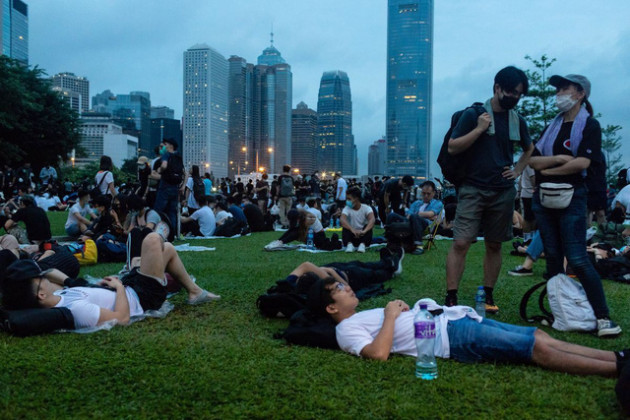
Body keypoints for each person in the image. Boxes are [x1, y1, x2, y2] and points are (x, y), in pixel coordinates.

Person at [305, 278, 630, 378]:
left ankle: (617, 356)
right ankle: (619, 370)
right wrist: (391, 314)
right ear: (332, 307)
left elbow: (392, 322)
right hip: (450, 337)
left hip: (455, 319)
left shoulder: (360, 315)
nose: (348, 287)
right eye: (340, 289)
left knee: (538, 335)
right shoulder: (344, 331)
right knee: (537, 350)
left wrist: (401, 309)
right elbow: (377, 354)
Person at [529, 74, 621, 337]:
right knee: (554, 261)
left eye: (565, 88)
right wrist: (561, 159)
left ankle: (603, 317)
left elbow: (584, 164)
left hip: (573, 197)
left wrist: (551, 169)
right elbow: (533, 161)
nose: (559, 93)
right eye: (558, 89)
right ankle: (560, 313)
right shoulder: (551, 126)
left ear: (581, 94)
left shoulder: (590, 126)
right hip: (545, 198)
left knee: (578, 259)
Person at [444, 66, 533, 313]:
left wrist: (516, 171)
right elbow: (453, 147)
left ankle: (488, 294)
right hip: (473, 187)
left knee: (495, 244)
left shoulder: (518, 120)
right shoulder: (475, 115)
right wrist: (480, 129)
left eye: (519, 94)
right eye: (511, 92)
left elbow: (529, 149)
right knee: (461, 242)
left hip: (502, 190)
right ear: (497, 88)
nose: (515, 97)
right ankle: (451, 296)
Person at [1, 232, 220, 329]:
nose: (46, 277)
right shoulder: (76, 309)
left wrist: (109, 285)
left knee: (168, 249)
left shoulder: (57, 295)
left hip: (128, 286)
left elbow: (56, 277)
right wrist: (118, 288)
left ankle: (193, 291)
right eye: (41, 279)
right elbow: (122, 318)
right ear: (40, 294)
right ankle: (193, 291)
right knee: (153, 239)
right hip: (141, 297)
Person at [400, 181, 444, 255]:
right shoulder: (416, 203)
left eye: (428, 194)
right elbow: (408, 216)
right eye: (424, 193)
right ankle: (391, 245)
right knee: (392, 216)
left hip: (426, 226)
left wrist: (418, 214)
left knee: (415, 217)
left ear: (433, 193)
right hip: (410, 223)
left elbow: (430, 214)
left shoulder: (437, 203)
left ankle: (419, 245)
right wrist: (427, 215)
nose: (426, 196)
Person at [153, 138, 184, 235]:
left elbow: (164, 166)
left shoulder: (166, 155)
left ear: (170, 145)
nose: (164, 146)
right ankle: (173, 234)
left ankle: (156, 232)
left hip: (165, 186)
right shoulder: (178, 156)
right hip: (175, 187)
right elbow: (183, 172)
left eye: (165, 144)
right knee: (172, 212)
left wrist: (159, 170)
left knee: (158, 210)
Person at [340, 187, 375, 253]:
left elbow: (372, 219)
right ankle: (349, 245)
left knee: (369, 227)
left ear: (356, 199)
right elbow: (342, 219)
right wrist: (352, 229)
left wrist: (364, 231)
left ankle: (362, 245)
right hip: (351, 235)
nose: (347, 201)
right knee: (345, 227)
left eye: (349, 199)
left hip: (363, 235)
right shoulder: (346, 208)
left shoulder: (366, 208)